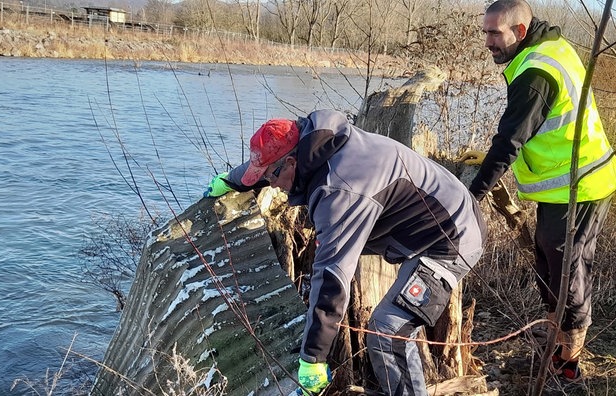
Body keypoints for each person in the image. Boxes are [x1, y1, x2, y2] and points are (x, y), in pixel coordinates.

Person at [205, 109, 487, 395]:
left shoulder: (340, 191)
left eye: (272, 176)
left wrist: (313, 358)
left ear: (292, 162)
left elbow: (333, 279)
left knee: (388, 331)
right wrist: (233, 180)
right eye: (264, 177)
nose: (273, 185)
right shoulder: (312, 142)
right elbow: (273, 159)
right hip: (421, 219)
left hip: (451, 238)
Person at [460, 0, 616, 388]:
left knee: (567, 267)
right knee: (550, 262)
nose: (487, 42)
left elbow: (510, 142)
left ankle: (569, 360)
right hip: (565, 182)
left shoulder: (536, 71)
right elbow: (534, 128)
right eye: (484, 32)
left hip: (582, 183)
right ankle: (557, 338)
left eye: (494, 33)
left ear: (518, 31)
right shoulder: (544, 49)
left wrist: (471, 197)